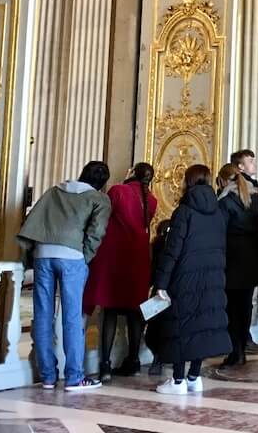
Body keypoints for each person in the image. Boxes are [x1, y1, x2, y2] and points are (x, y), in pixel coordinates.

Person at [18, 161, 112, 392]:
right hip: (72, 257)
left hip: (43, 254)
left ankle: (47, 376)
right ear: (102, 183)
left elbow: (34, 219)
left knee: (42, 314)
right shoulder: (98, 199)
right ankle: (74, 377)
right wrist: (84, 256)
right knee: (71, 316)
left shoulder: (55, 191)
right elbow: (96, 232)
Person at [152, 164, 232, 395]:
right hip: (213, 276)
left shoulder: (184, 211)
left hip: (184, 276)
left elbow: (172, 250)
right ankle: (194, 377)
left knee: (182, 327)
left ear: (188, 181)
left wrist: (161, 283)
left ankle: (178, 380)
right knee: (203, 327)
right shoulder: (218, 212)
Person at [83, 162, 157, 381]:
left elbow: (103, 216)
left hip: (115, 254)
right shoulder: (151, 199)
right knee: (135, 312)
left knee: (111, 310)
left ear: (131, 172)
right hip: (138, 255)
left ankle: (105, 365)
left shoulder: (118, 191)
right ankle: (133, 361)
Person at [217, 163, 258, 367]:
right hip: (252, 256)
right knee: (245, 306)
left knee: (231, 308)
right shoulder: (254, 198)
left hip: (232, 257)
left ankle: (235, 351)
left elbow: (219, 230)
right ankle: (241, 348)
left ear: (224, 180)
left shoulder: (226, 200)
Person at [145, 218, 172, 377]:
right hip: (171, 293)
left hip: (158, 292)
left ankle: (158, 359)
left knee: (153, 330)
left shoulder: (157, 246)